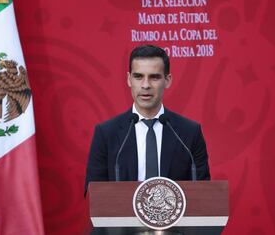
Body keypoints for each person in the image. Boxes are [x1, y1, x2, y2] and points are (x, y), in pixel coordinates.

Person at [85, 45, 210, 190]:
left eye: (154, 77)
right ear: (129, 79)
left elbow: (203, 193)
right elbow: (95, 194)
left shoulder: (189, 133)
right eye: (138, 77)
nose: (145, 85)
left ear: (167, 80)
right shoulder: (106, 134)